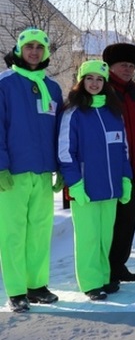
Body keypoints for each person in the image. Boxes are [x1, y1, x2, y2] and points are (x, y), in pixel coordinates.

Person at [58, 60, 132, 301]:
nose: (94, 83)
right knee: (89, 237)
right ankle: (90, 283)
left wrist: (126, 178)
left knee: (104, 236)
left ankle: (103, 276)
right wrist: (74, 183)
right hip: (85, 188)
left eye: (99, 79)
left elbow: (123, 149)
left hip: (110, 186)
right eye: (89, 78)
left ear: (105, 83)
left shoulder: (114, 113)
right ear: (81, 82)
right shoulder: (73, 113)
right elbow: (65, 151)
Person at [0, 28, 63, 312]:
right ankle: (15, 291)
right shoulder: (5, 83)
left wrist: (61, 166)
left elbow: (61, 131)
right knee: (12, 232)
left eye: (40, 47)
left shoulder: (53, 88)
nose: (34, 52)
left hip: (42, 172)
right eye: (29, 47)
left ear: (46, 52)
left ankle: (36, 285)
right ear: (19, 50)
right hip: (12, 174)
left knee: (39, 230)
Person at [102, 42, 135, 283]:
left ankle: (118, 265)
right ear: (110, 66)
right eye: (122, 65)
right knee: (110, 221)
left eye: (131, 65)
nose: (128, 69)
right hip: (109, 167)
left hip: (131, 166)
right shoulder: (102, 89)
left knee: (127, 221)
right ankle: (105, 267)